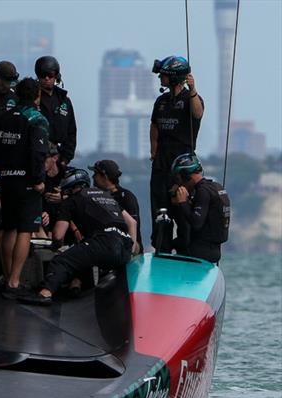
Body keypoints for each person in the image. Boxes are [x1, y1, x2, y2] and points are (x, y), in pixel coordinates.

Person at [18, 168, 140, 306]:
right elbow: (132, 222)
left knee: (62, 261)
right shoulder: (107, 196)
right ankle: (77, 287)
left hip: (104, 241)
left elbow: (58, 235)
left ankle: (45, 294)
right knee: (84, 255)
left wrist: (56, 246)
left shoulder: (72, 200)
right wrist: (131, 247)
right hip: (124, 245)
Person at [0, 77, 49, 299]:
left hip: (6, 180)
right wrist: (39, 179)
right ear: (37, 96)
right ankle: (14, 281)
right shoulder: (37, 120)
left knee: (9, 227)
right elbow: (37, 153)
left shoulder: (4, 117)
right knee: (25, 230)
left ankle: (6, 276)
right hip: (27, 182)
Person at [149, 55, 204, 253]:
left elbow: (198, 114)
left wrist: (193, 90)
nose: (160, 78)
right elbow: (154, 126)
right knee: (160, 208)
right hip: (161, 163)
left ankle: (185, 249)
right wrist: (153, 150)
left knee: (181, 208)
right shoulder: (161, 101)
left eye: (163, 75)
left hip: (182, 164)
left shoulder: (191, 99)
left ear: (173, 77)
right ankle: (161, 248)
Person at [170, 153, 230, 263]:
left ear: (186, 175)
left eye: (178, 178)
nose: (179, 183)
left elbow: (196, 223)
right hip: (214, 250)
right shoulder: (216, 187)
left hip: (199, 253)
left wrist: (183, 203)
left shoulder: (203, 191)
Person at [89, 159, 144, 253]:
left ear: (104, 176)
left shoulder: (126, 197)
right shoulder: (96, 195)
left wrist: (130, 252)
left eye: (96, 174)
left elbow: (132, 226)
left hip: (126, 247)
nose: (93, 177)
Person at [35, 56, 77, 171]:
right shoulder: (31, 98)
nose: (47, 78)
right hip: (37, 155)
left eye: (50, 75)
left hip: (59, 158)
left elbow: (71, 131)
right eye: (43, 75)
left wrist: (64, 160)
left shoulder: (64, 100)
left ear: (56, 76)